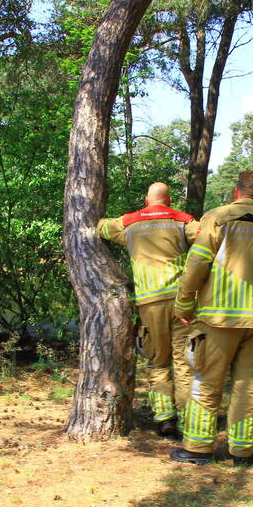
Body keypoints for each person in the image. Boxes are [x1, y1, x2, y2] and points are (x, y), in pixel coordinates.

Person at [170, 170, 253, 466]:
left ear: (236, 192)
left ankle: (198, 448)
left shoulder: (217, 218)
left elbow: (197, 263)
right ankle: (243, 452)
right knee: (248, 387)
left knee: (206, 381)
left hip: (220, 318)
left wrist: (183, 303)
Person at [98, 182, 200, 438]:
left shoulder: (130, 224)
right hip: (181, 303)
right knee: (184, 364)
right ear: (169, 200)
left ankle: (165, 418)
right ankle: (188, 419)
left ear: (146, 200)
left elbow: (101, 227)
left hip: (149, 304)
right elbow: (207, 238)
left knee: (157, 362)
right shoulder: (182, 221)